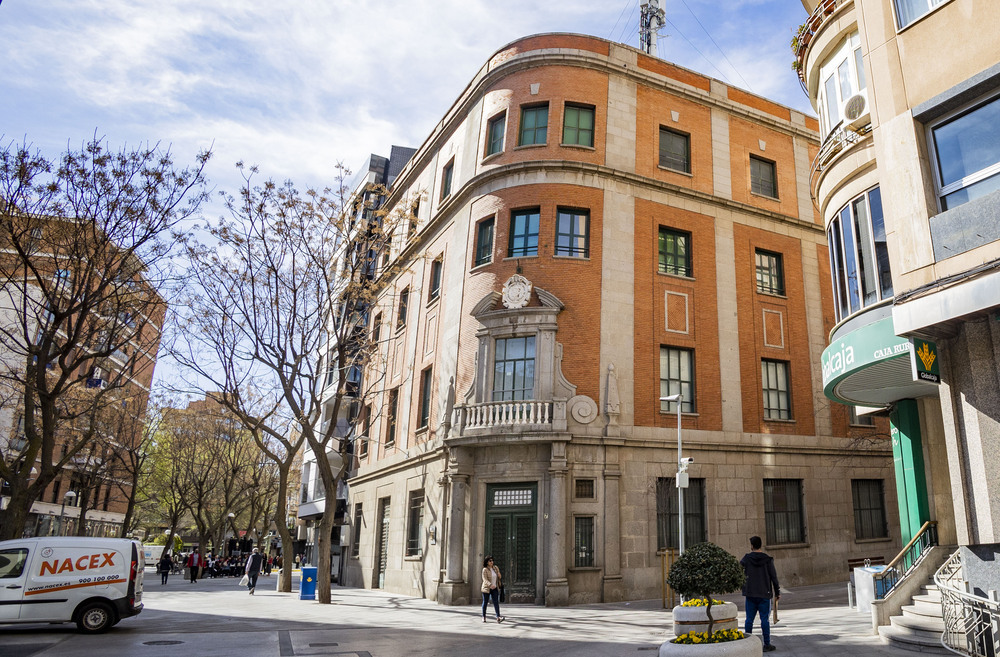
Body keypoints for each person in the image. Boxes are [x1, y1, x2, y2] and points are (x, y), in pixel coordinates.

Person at [741, 536, 780, 652]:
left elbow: (738, 569)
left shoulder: (746, 559)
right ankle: (767, 644)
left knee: (749, 619)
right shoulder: (767, 560)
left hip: (751, 594)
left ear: (752, 546)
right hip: (764, 594)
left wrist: (743, 585)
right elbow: (774, 577)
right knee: (764, 620)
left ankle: (747, 643)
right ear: (760, 545)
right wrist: (777, 592)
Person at [480, 556, 505, 624]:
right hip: (487, 588)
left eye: (492, 560)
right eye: (490, 561)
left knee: (496, 602)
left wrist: (499, 575)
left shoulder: (495, 568)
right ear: (487, 562)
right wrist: (490, 585)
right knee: (485, 602)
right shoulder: (485, 569)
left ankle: (498, 617)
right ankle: (483, 616)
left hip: (495, 588)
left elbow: (499, 577)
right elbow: (484, 579)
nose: (492, 562)